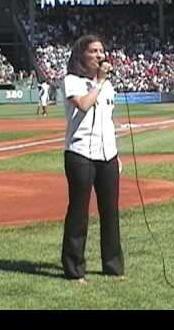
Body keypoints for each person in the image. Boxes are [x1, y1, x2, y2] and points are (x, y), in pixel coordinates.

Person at [61, 34, 124, 284]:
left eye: (102, 50)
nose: (100, 55)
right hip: (80, 154)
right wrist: (98, 80)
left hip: (107, 154)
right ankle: (74, 268)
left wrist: (116, 154)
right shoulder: (72, 81)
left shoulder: (107, 86)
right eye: (94, 51)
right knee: (79, 212)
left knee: (110, 212)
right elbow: (84, 106)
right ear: (81, 55)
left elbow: (107, 122)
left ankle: (113, 266)